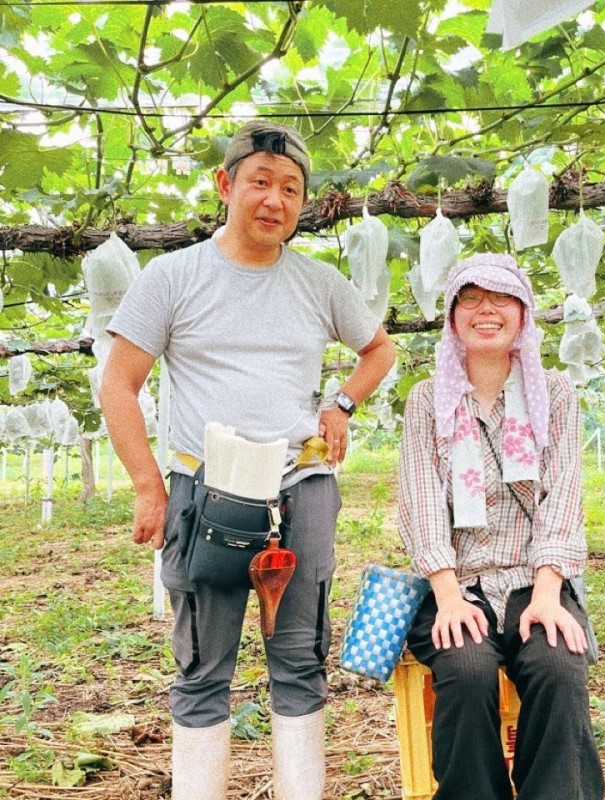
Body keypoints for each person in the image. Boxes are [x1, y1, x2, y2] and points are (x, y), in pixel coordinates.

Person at [100, 121, 396, 800]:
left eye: (291, 189)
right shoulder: (172, 277)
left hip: (303, 487)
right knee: (203, 664)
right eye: (261, 182)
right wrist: (149, 485)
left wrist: (341, 405)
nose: (275, 200)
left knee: (298, 658)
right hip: (207, 492)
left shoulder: (319, 283)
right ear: (226, 185)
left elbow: (379, 350)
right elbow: (119, 384)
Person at [397, 254, 604, 800]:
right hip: (456, 582)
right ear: (452, 315)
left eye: (501, 298)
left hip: (533, 580)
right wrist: (445, 597)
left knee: (558, 664)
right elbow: (419, 501)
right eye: (471, 297)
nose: (485, 310)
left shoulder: (552, 394)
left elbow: (563, 495)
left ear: (523, 313)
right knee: (464, 669)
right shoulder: (427, 400)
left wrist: (548, 596)